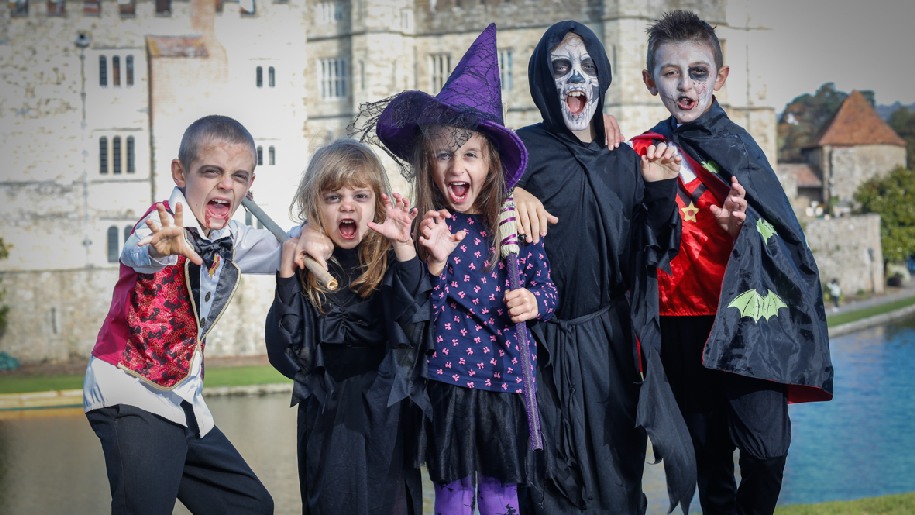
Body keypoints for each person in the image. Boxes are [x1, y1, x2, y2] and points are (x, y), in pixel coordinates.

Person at [629, 10, 834, 514]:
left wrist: (740, 234)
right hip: (680, 328)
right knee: (710, 464)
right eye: (670, 72)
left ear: (718, 78)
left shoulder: (743, 150)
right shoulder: (641, 153)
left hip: (748, 321)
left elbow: (786, 243)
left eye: (697, 71)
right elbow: (634, 244)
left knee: (767, 451)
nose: (684, 85)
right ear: (650, 81)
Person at [370, 24, 559, 515]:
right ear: (428, 164)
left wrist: (534, 301)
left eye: (470, 153)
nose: (457, 165)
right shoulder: (425, 227)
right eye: (443, 153)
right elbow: (417, 316)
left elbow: (549, 288)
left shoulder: (512, 224)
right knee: (453, 493)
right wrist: (432, 263)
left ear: (491, 164)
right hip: (450, 380)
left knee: (501, 493)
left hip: (506, 378)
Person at [511, 20, 694, 514]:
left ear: (604, 78)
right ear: (541, 81)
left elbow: (653, 252)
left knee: (616, 479)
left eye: (588, 67)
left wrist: (658, 189)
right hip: (539, 345)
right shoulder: (517, 153)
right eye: (561, 68)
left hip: (607, 347)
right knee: (546, 482)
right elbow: (471, 197)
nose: (575, 79)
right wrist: (510, 192)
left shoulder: (622, 160)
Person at [84, 115, 277, 514]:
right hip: (131, 390)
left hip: (182, 400)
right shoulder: (159, 224)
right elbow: (137, 252)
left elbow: (287, 247)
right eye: (211, 172)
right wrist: (159, 250)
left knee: (250, 506)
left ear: (249, 185)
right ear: (180, 172)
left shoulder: (231, 235)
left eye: (239, 176)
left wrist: (313, 235)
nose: (226, 184)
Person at [263, 139, 430, 514]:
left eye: (359, 195)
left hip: (385, 408)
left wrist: (405, 249)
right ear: (315, 206)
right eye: (333, 197)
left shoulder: (389, 257)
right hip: (327, 413)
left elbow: (416, 329)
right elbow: (288, 356)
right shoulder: (308, 264)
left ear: (377, 202)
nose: (348, 205)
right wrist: (287, 278)